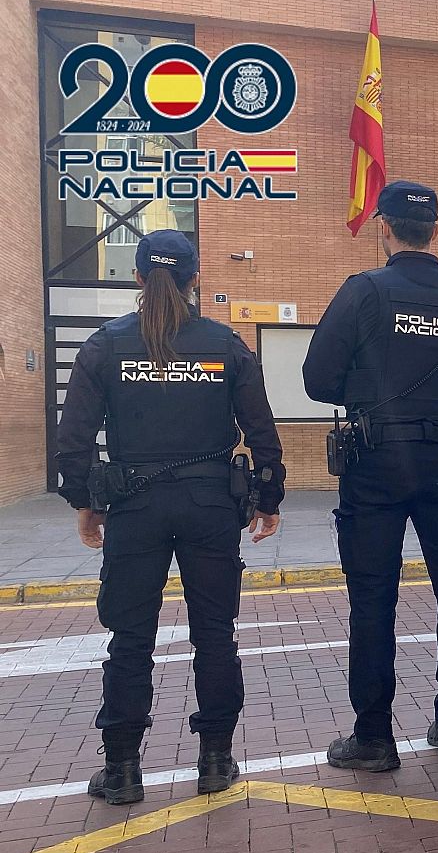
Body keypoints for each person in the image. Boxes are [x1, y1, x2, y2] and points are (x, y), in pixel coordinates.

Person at [56, 230, 285, 805]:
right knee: (215, 635)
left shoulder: (104, 346)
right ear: (196, 279)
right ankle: (214, 760)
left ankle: (124, 769)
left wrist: (84, 501)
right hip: (211, 506)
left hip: (134, 506)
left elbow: (74, 437)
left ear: (136, 278)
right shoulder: (226, 345)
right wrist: (269, 498)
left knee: (130, 639)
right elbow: (262, 430)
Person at [303, 181, 438, 771]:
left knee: (372, 600)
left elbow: (318, 380)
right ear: (436, 231)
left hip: (375, 468)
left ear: (385, 227)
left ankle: (373, 737)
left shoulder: (363, 292)